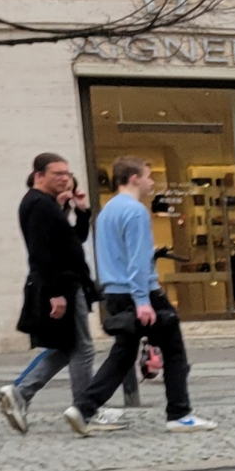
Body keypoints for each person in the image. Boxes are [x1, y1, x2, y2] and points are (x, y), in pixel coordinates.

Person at [67, 158, 211, 434]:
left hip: (116, 293)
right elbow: (137, 260)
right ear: (134, 178)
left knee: (122, 355)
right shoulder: (135, 212)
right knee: (174, 351)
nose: (152, 182)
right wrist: (144, 300)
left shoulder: (108, 210)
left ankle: (83, 408)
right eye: (148, 176)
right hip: (140, 293)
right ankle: (179, 414)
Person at [0, 153, 97, 433]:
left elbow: (73, 241)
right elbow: (39, 252)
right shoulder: (39, 205)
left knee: (67, 348)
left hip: (67, 283)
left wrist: (80, 211)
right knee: (82, 348)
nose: (65, 178)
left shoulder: (48, 205)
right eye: (57, 173)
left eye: (66, 173)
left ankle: (21, 393)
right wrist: (54, 293)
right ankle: (83, 409)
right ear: (39, 175)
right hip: (62, 285)